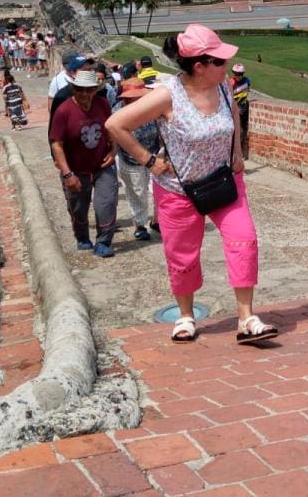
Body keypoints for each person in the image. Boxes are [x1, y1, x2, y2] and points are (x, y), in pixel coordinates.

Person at [107, 24, 277, 345]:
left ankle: (246, 318)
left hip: (225, 183)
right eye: (219, 61)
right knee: (182, 254)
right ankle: (186, 316)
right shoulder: (167, 95)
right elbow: (116, 125)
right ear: (199, 67)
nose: (225, 66)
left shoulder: (224, 87)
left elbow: (235, 117)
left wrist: (237, 151)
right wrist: (149, 160)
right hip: (178, 190)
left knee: (245, 239)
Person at [50, 68, 119, 257]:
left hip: (102, 165)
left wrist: (114, 150)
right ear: (73, 88)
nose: (84, 94)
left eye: (89, 90)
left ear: (95, 90)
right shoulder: (64, 111)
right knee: (78, 207)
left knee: (106, 203)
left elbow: (111, 127)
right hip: (75, 168)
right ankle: (82, 237)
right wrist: (67, 173)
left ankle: (104, 241)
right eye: (80, 89)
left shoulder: (103, 104)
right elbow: (56, 144)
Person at [111, 77, 159, 240]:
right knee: (137, 192)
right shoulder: (117, 112)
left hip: (154, 155)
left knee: (159, 190)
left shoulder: (152, 108)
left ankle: (158, 221)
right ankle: (140, 225)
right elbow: (114, 136)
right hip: (130, 159)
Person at [230, 63, 252, 160]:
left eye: (239, 74)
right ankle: (236, 154)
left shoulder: (247, 81)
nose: (237, 76)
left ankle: (240, 153)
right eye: (235, 74)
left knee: (243, 131)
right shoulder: (231, 82)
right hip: (235, 109)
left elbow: (247, 92)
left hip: (244, 108)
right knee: (238, 132)